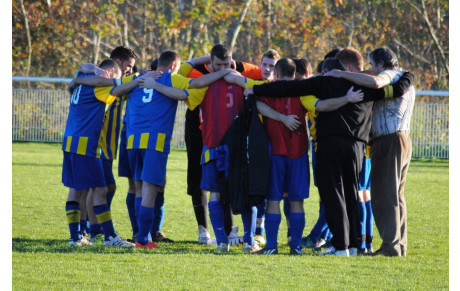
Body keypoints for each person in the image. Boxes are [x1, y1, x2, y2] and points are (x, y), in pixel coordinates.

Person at [247, 59, 414, 256]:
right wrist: (408, 75)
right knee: (352, 195)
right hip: (356, 147)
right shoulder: (366, 86)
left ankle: (340, 246)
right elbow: (397, 90)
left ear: (333, 70)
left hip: (329, 145)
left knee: (333, 195)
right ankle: (353, 246)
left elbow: (289, 87)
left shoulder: (323, 82)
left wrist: (256, 91)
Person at [110, 50, 234, 249]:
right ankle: (143, 240)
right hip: (155, 141)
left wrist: (139, 80)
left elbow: (115, 91)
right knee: (150, 189)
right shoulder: (171, 78)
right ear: (174, 66)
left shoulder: (139, 76)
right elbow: (197, 84)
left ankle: (140, 234)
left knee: (139, 188)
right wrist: (222, 72)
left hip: (132, 141)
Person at [325, 47, 415, 257]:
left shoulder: (389, 76)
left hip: (388, 140)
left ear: (381, 64)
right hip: (401, 139)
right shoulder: (401, 76)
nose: (371, 69)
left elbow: (376, 82)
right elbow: (371, 77)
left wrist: (339, 73)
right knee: (396, 195)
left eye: (373, 65)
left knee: (384, 194)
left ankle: (390, 247)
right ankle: (398, 245)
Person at [179, 44, 262, 246]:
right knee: (215, 191)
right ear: (211, 63)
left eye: (227, 64)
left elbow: (266, 83)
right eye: (219, 64)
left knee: (244, 191)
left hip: (238, 146)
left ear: (232, 60)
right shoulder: (202, 83)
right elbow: (179, 81)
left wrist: (238, 76)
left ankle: (249, 241)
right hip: (212, 143)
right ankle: (222, 241)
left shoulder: (243, 82)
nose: (224, 68)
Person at [63, 59, 133, 247]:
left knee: (76, 190)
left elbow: (80, 70)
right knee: (100, 190)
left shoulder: (82, 76)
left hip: (70, 141)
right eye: (115, 76)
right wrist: (137, 79)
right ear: (110, 72)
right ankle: (109, 237)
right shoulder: (100, 85)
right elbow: (116, 89)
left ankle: (76, 237)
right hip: (86, 144)